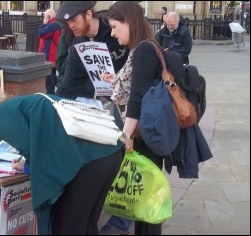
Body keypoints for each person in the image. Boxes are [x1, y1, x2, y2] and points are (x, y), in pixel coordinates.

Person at [0, 84, 125, 235]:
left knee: (67, 226)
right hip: (108, 152)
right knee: (86, 225)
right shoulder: (21, 103)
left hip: (85, 163)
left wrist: (27, 167)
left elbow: (30, 148)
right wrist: (26, 164)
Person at [100, 1, 174, 235]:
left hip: (143, 135)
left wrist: (126, 135)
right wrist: (116, 80)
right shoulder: (145, 47)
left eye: (114, 26)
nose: (112, 33)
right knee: (143, 199)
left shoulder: (142, 50)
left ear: (129, 22)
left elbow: (137, 97)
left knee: (146, 199)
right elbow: (137, 85)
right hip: (148, 132)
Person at [55, 1, 129, 130]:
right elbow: (68, 87)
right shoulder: (79, 47)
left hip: (140, 96)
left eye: (74, 20)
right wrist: (50, 106)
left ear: (88, 14)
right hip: (118, 101)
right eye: (68, 22)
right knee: (124, 143)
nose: (70, 26)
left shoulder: (115, 28)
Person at [38, 9, 63, 94]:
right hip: (51, 56)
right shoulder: (56, 25)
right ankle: (61, 87)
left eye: (45, 16)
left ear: (48, 17)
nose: (44, 18)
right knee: (51, 76)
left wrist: (44, 24)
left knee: (49, 80)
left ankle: (52, 95)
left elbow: (41, 33)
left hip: (49, 57)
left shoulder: (53, 26)